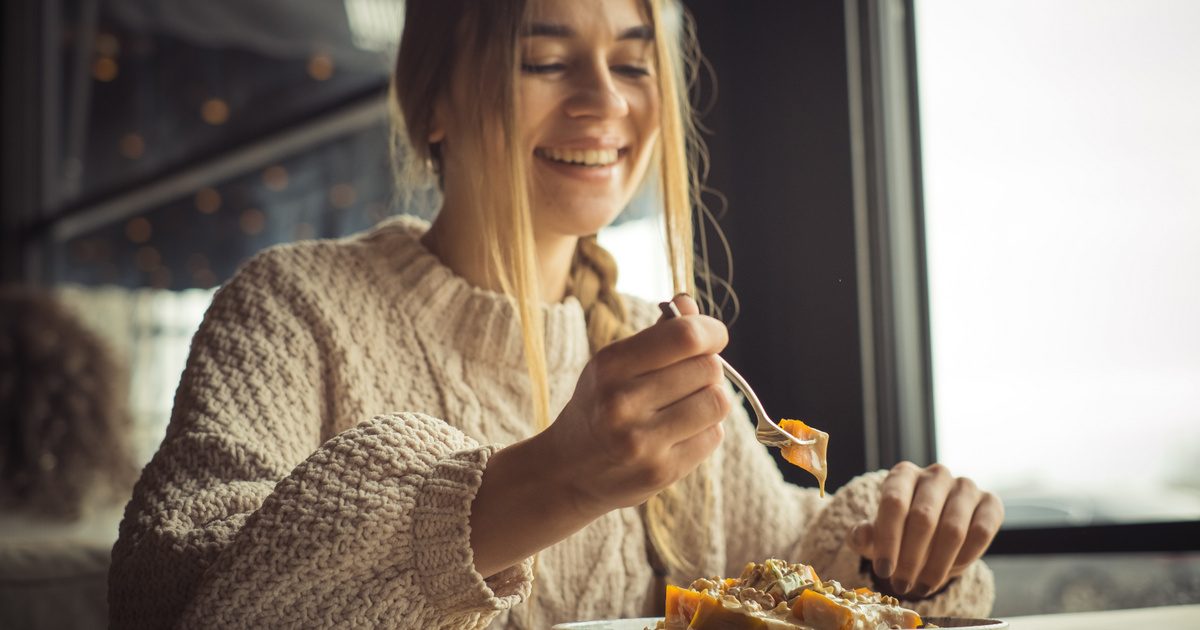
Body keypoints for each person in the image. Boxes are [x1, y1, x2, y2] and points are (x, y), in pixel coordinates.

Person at [108, 0, 1004, 628]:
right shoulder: (296, 308)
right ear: (433, 101)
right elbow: (176, 600)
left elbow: (787, 570)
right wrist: (552, 482)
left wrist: (895, 550)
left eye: (632, 60)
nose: (607, 102)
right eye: (544, 60)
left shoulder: (646, 354)